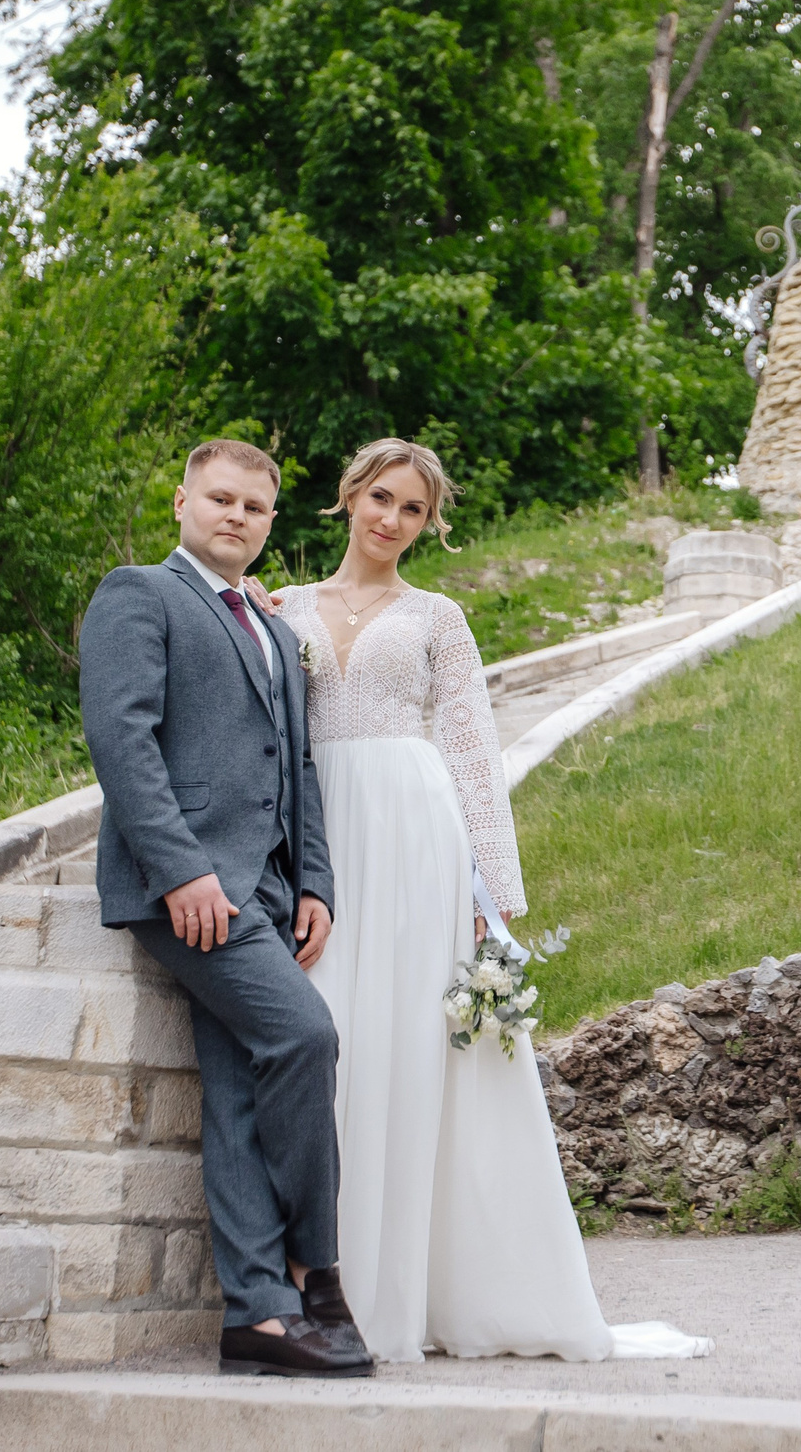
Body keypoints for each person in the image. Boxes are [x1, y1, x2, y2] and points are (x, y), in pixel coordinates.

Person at [253, 438, 713, 1365]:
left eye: (412, 510)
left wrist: (491, 899)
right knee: (333, 1038)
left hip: (417, 835)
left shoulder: (439, 618)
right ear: (347, 498)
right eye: (379, 498)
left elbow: (470, 753)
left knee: (411, 1049)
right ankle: (325, 1287)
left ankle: (403, 1299)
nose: (391, 519)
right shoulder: (280, 607)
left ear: (430, 525)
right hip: (324, 833)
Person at [79, 438, 366, 1379]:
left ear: (271, 522)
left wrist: (314, 880)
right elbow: (121, 738)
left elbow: (301, 769)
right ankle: (316, 1273)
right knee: (305, 1037)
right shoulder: (139, 593)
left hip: (270, 890)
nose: (235, 515)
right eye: (220, 498)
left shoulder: (277, 631)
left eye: (254, 505)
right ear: (182, 502)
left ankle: (257, 1318)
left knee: (241, 1093)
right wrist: (180, 869)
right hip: (190, 891)